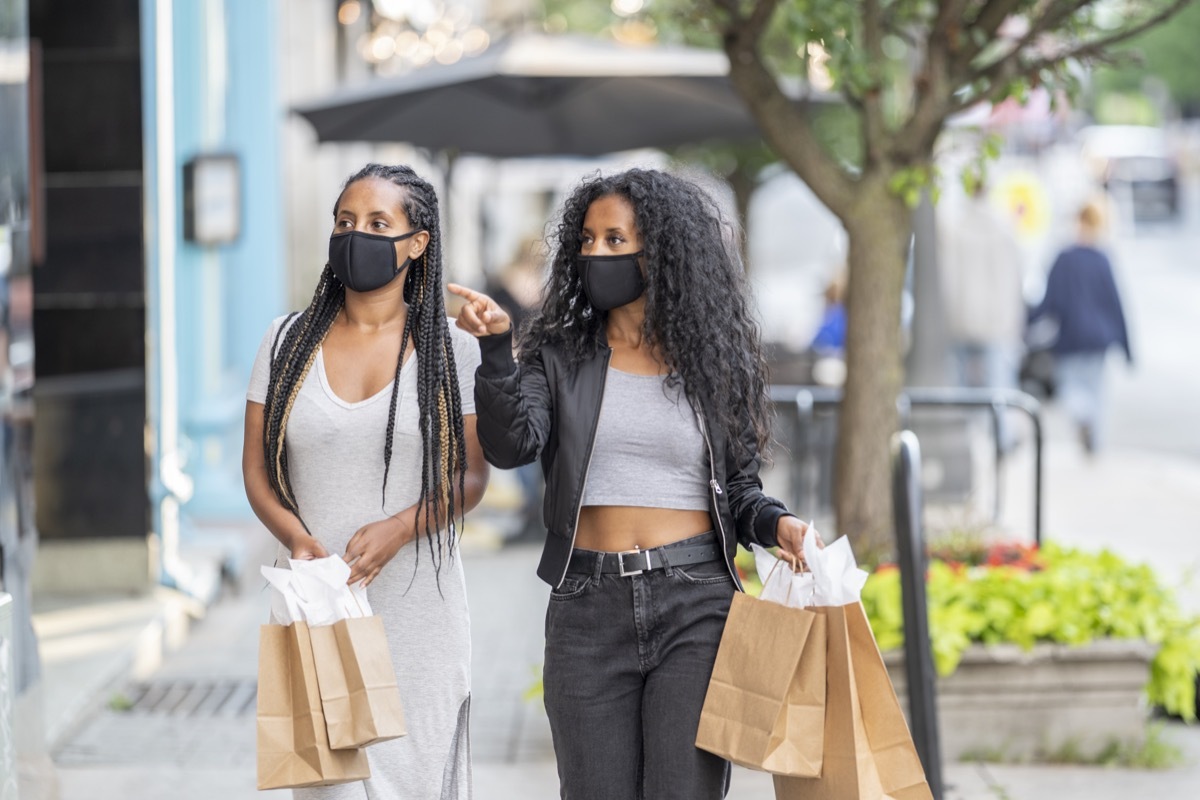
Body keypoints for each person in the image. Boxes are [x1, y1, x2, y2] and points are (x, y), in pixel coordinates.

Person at [448, 168, 817, 800]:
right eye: (587, 240)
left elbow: (740, 490)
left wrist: (776, 523)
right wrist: (498, 353)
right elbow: (511, 447)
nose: (596, 253)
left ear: (665, 250)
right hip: (588, 604)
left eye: (616, 240)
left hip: (696, 600)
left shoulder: (713, 361)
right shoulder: (559, 353)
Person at [242, 163, 489, 799]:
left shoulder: (452, 349)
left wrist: (401, 527)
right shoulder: (284, 343)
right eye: (345, 222)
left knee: (414, 784)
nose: (358, 236)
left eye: (379, 224)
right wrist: (298, 541)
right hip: (318, 607)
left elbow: (471, 478)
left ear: (418, 243)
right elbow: (257, 472)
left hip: (420, 617)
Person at [1029, 199, 1132, 454]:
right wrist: (1127, 347)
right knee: (1097, 393)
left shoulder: (1064, 258)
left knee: (1071, 389)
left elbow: (1048, 302)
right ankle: (1094, 443)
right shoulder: (1102, 259)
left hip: (1070, 338)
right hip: (1098, 339)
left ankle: (1083, 419)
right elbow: (1115, 304)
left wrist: (1026, 323)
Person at [939, 181, 1027, 400]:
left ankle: (966, 433)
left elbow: (947, 277)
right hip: (997, 322)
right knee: (999, 390)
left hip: (960, 319)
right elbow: (1015, 279)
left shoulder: (955, 228)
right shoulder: (1004, 229)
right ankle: (1001, 433)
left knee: (961, 390)